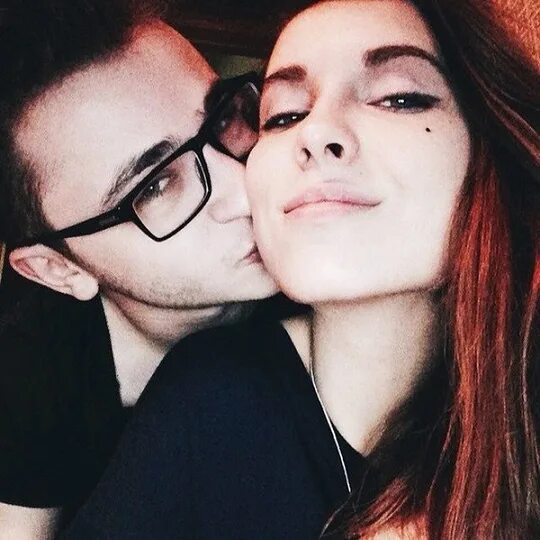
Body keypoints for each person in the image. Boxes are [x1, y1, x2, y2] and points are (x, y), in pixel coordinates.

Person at [61, 0, 539, 539]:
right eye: (283, 116)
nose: (315, 132)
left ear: (492, 147)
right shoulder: (211, 403)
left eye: (399, 97)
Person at [0, 0, 278, 536]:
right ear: (58, 270)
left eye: (224, 117)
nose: (247, 191)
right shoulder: (28, 379)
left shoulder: (326, 244)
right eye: (154, 187)